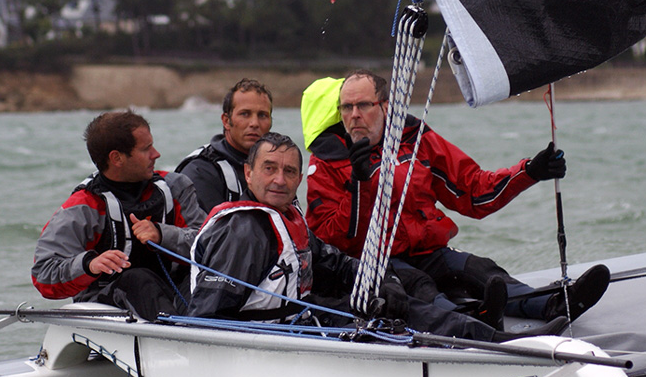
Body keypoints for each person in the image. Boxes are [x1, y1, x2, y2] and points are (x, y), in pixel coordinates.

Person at [189, 132, 567, 342]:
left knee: (401, 303)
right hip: (280, 337)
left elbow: (333, 260)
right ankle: (489, 345)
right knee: (388, 323)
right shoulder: (244, 230)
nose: (279, 179)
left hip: (301, 318)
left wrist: (382, 280)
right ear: (248, 173)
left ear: (299, 180)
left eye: (289, 172)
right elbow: (206, 318)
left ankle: (494, 340)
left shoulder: (287, 219)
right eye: (269, 169)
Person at [304, 70, 609, 329]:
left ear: (385, 106)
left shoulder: (415, 139)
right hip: (378, 263)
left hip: (429, 250)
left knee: (479, 269)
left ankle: (554, 305)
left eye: (363, 105)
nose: (354, 115)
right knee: (421, 289)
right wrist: (359, 183)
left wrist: (529, 171)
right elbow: (331, 240)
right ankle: (477, 325)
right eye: (346, 107)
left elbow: (472, 192)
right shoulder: (327, 163)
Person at [32, 110, 206, 320]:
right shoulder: (83, 208)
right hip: (111, 306)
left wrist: (162, 234)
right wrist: (89, 264)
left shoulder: (176, 188)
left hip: (173, 293)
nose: (156, 154)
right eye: (146, 149)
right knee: (138, 280)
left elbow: (211, 246)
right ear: (117, 158)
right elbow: (43, 274)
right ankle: (180, 336)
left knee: (209, 277)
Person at [175, 78, 274, 214]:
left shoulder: (277, 169)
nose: (254, 123)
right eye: (245, 114)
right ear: (226, 121)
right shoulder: (201, 172)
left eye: (262, 115)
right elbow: (206, 232)